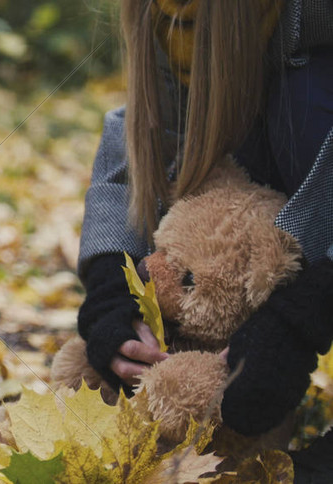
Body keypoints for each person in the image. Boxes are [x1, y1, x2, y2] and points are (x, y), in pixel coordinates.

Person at [76, 0, 332, 456]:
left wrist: (303, 316)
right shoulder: (167, 18)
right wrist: (111, 287)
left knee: (305, 98)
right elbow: (146, 139)